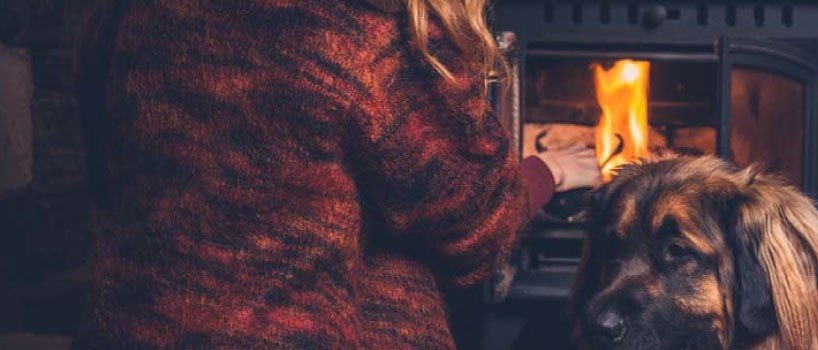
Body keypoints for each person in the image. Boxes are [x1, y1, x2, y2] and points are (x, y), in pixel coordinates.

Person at [71, 0, 600, 348]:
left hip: (127, 328)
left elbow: (105, 176)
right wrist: (549, 169)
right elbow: (474, 230)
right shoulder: (373, 27)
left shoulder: (123, 12)